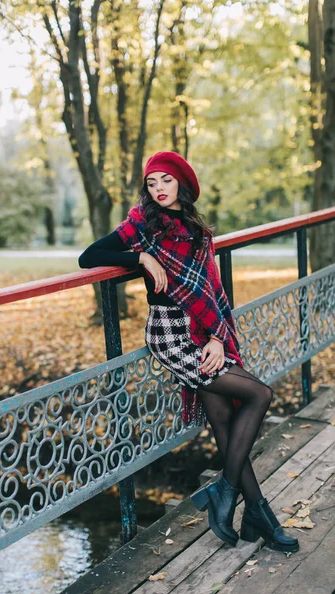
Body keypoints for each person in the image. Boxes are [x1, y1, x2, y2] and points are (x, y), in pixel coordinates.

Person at [78, 151, 299, 553]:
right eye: (151, 183)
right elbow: (88, 257)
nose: (158, 189)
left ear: (181, 183)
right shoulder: (143, 224)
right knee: (259, 394)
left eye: (166, 180)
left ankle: (257, 514)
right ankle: (228, 496)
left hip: (203, 333)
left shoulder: (197, 229)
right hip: (169, 334)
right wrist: (140, 256)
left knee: (226, 421)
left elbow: (211, 289)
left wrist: (218, 336)